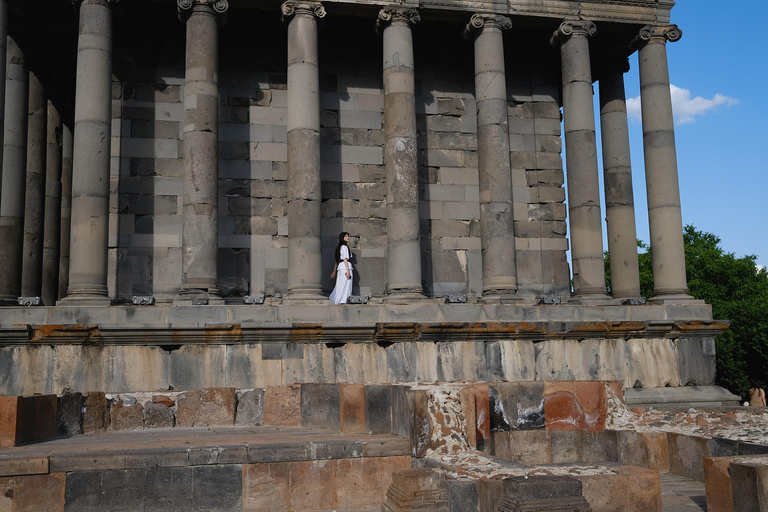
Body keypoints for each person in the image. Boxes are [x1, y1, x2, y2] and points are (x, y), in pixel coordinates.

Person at [329, 232, 353, 305]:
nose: (347, 237)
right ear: (342, 238)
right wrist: (348, 271)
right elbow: (345, 259)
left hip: (341, 267)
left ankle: (337, 299)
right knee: (346, 284)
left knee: (340, 284)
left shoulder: (339, 248)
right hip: (345, 267)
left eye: (348, 236)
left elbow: (337, 261)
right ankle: (343, 300)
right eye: (346, 236)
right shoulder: (344, 247)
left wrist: (334, 272)